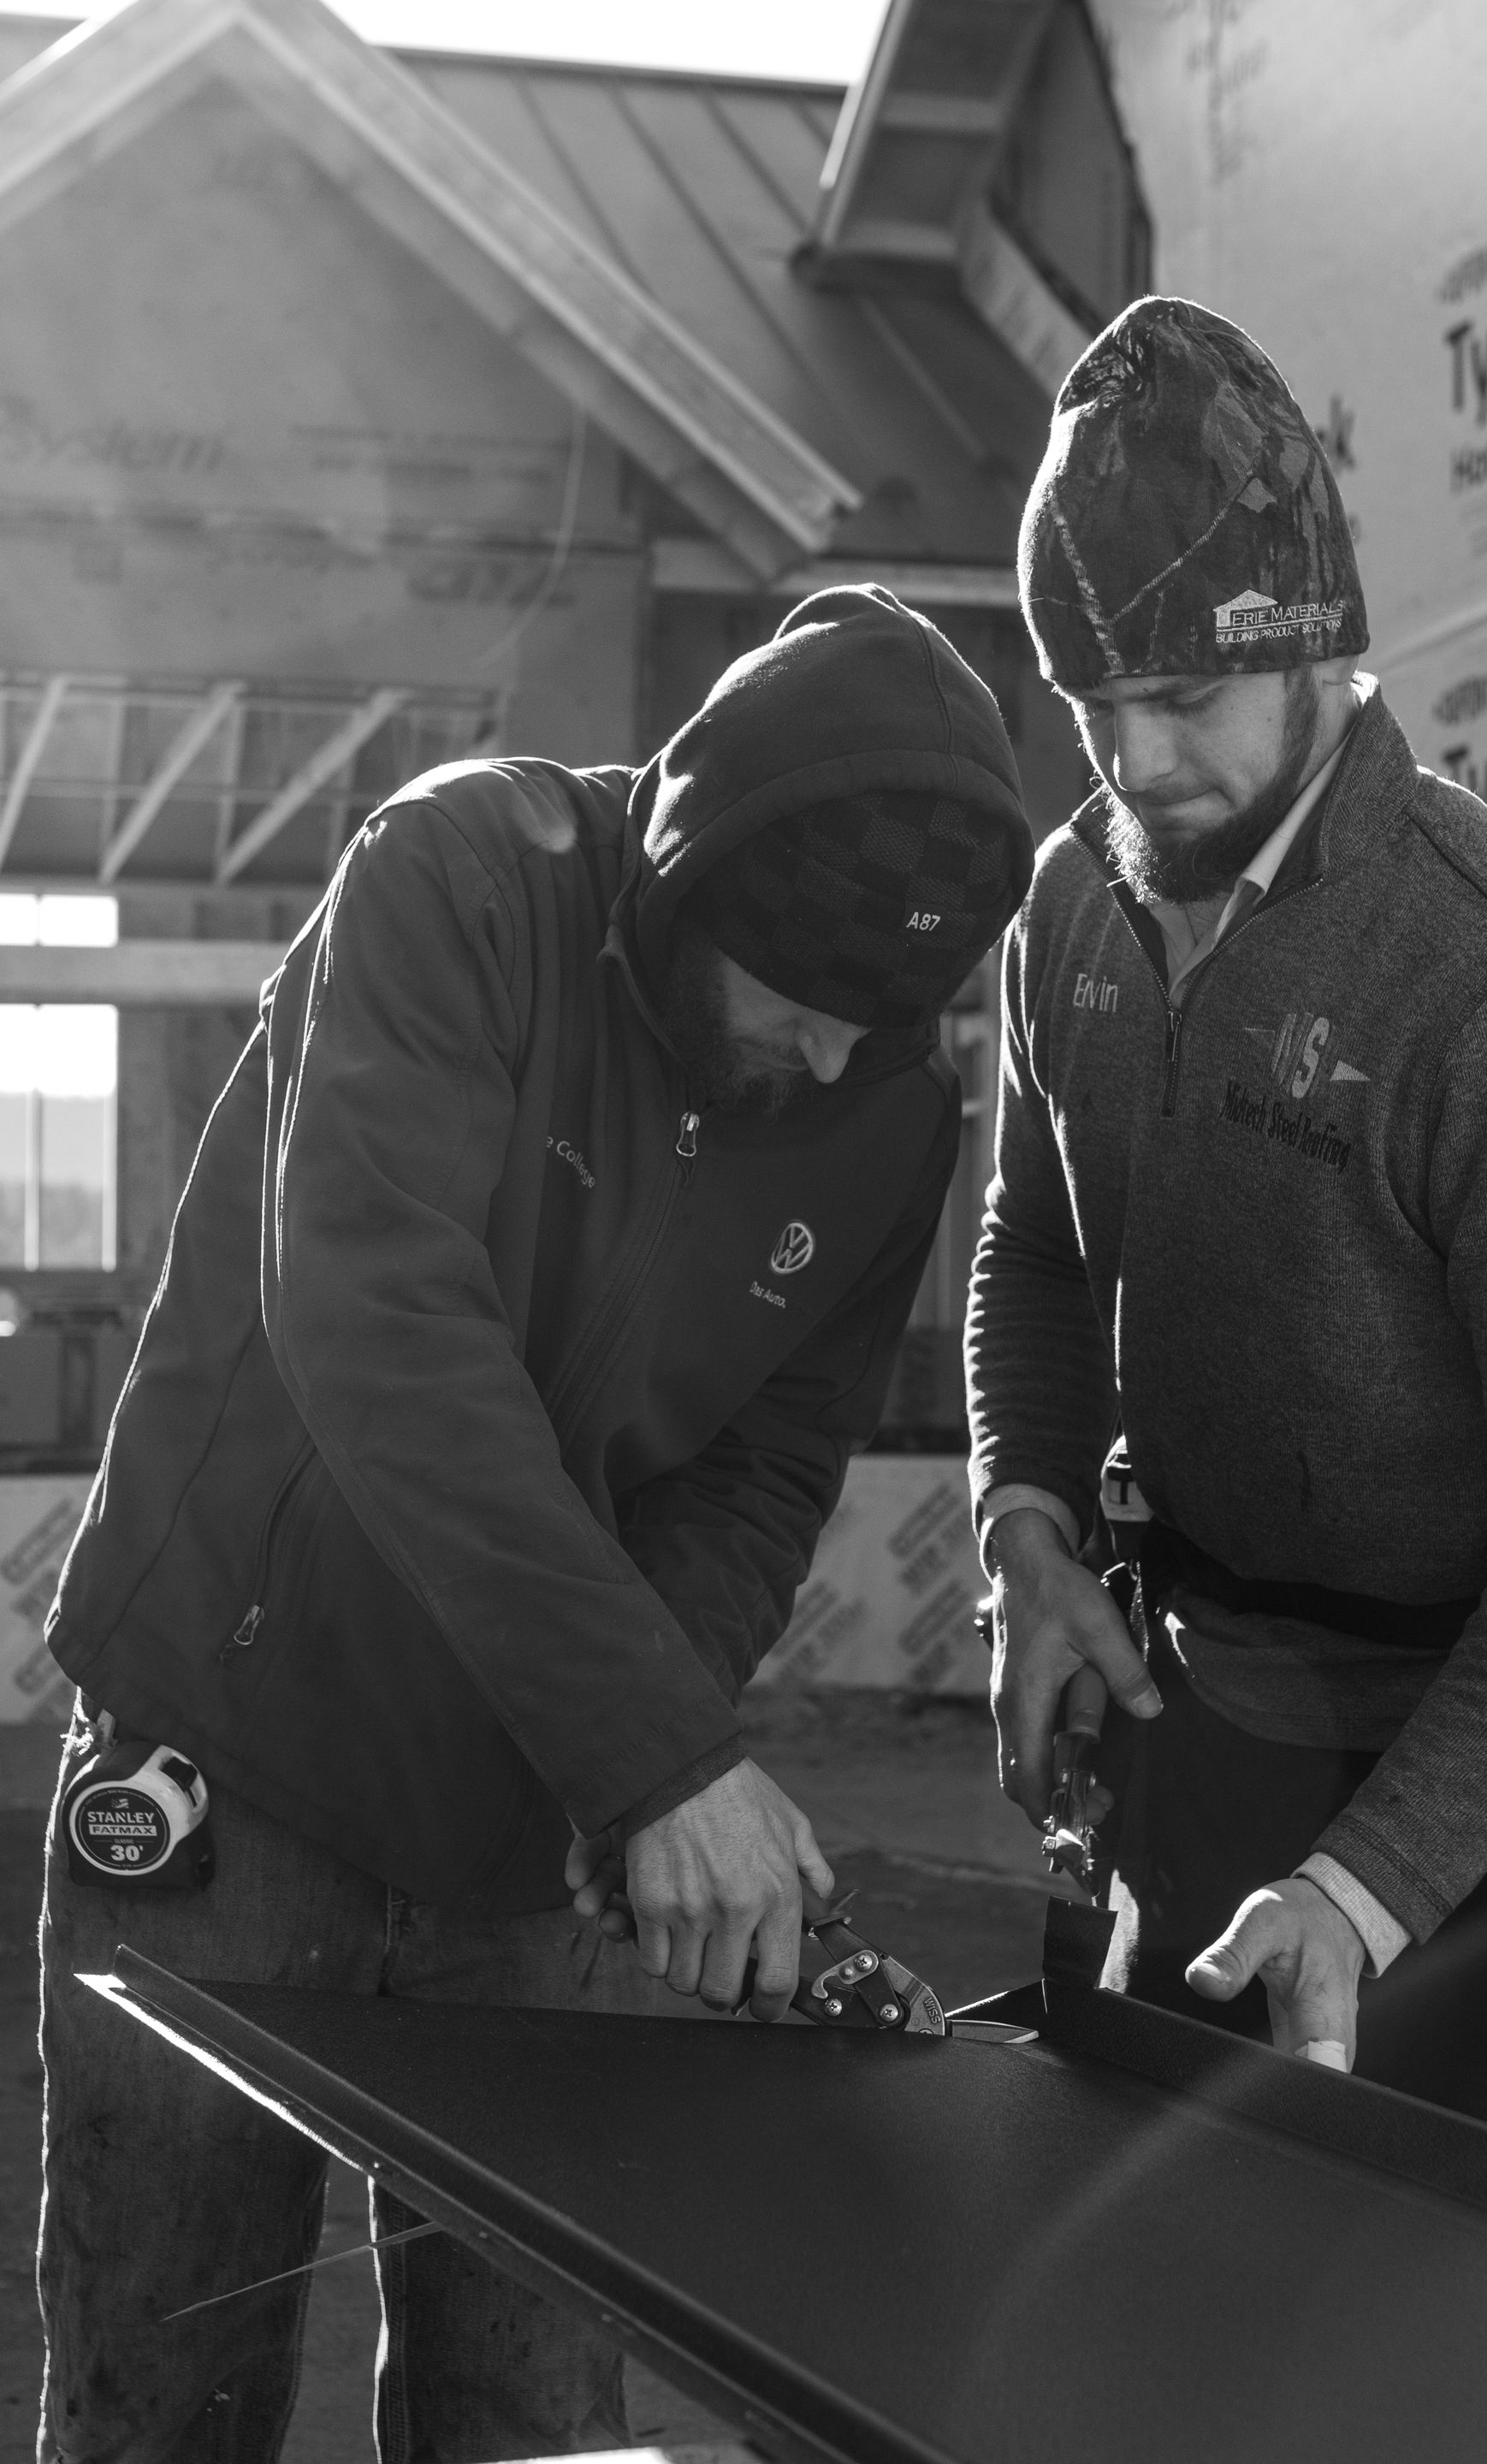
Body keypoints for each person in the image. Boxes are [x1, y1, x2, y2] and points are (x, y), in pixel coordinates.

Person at [37, 583, 1034, 2463]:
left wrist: (628, 1781)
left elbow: (758, 1472)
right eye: (799, 1014)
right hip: (233, 1768)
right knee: (164, 2392)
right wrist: (658, 1763)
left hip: (533, 1829)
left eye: (875, 1036)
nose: (829, 1068)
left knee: (537, 2430)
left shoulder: (889, 1111)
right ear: (684, 891)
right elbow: (378, 1325)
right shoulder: (460, 882)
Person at [968, 295, 1487, 2136]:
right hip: (1200, 1713)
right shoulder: (1073, 904)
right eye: (1095, 706)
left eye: (1184, 697)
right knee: (1148, 2291)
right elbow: (1032, 1248)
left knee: (1470, 2356)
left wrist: (1372, 1885)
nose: (1137, 760)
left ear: (1325, 655)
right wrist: (1020, 1533)